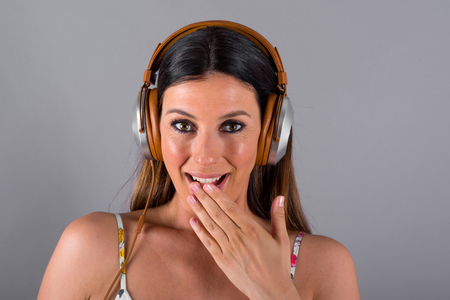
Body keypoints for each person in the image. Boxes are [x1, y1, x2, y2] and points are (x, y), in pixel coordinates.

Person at [38, 21, 360, 300]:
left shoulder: (325, 266)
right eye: (183, 126)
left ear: (269, 137)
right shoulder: (90, 247)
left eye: (232, 126)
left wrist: (276, 291)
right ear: (151, 133)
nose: (205, 156)